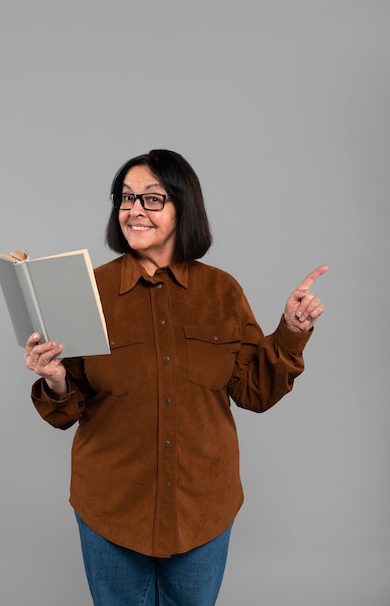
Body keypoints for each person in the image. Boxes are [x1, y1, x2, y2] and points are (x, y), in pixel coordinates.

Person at [24, 149, 327, 606]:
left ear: (183, 206)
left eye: (151, 198)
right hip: (110, 505)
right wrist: (54, 379)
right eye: (125, 198)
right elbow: (70, 406)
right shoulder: (87, 289)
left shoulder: (221, 291)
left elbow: (254, 393)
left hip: (203, 504)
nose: (134, 210)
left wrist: (291, 332)